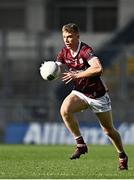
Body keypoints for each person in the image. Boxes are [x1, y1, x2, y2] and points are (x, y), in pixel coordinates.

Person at [55, 23, 128, 170]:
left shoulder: (85, 50)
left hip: (98, 95)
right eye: (64, 37)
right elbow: (56, 66)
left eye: (69, 37)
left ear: (77, 36)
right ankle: (80, 144)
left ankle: (122, 155)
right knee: (64, 110)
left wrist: (77, 75)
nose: (67, 40)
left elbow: (98, 68)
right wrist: (49, 70)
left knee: (108, 130)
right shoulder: (64, 52)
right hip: (80, 93)